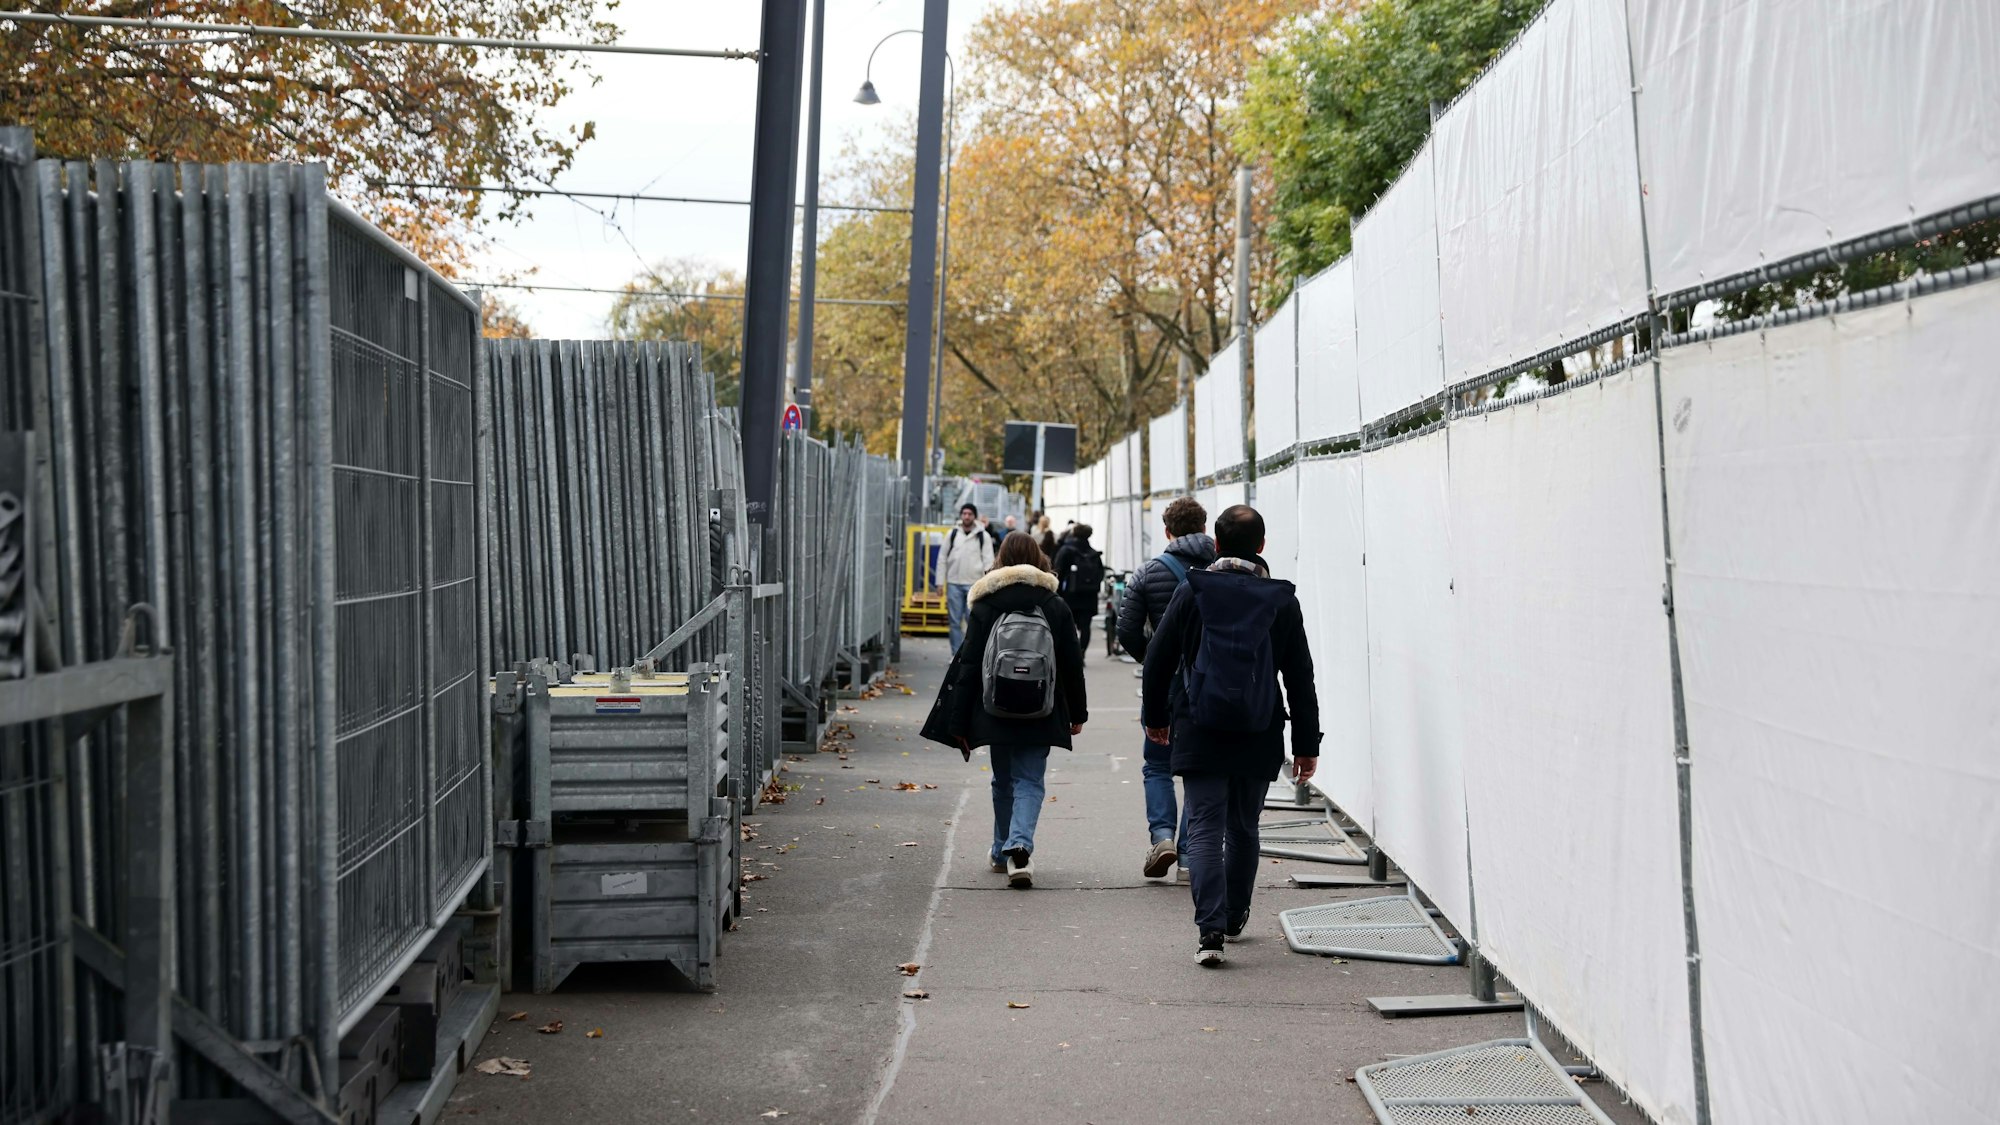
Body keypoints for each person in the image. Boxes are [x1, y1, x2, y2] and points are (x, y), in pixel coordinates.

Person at [1141, 504, 1319, 966]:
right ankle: (1236, 913)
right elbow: (1299, 677)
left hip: (1200, 725)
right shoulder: (1280, 600)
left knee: (1203, 826)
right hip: (1259, 729)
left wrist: (1156, 717)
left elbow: (1158, 659)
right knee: (1243, 827)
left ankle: (1210, 931)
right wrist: (1306, 745)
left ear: (1215, 544)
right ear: (1262, 545)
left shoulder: (1192, 590)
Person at [947, 534, 1088, 888]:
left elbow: (968, 665)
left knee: (1003, 780)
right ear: (1039, 559)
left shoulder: (986, 604)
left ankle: (1001, 851)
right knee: (1030, 779)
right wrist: (1078, 713)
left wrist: (959, 720)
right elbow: (1072, 664)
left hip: (995, 709)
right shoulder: (1054, 605)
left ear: (1001, 559)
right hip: (1043, 708)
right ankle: (1019, 845)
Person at [1115, 496, 1216, 879]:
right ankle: (1190, 855)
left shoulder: (1149, 572)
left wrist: (1152, 658)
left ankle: (1162, 837)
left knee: (1157, 764)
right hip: (1212, 682)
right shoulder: (1223, 567)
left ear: (1167, 531)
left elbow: (1126, 629)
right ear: (1204, 528)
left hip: (1166, 680)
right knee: (1199, 770)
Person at [938, 504, 998, 654]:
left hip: (974, 585)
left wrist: (989, 586)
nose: (966, 516)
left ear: (974, 516)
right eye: (964, 513)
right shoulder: (952, 534)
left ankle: (968, 655)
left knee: (972, 622)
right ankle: (955, 655)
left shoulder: (983, 536)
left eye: (970, 514)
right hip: (954, 583)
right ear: (961, 515)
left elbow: (988, 561)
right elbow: (942, 558)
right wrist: (939, 583)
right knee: (954, 622)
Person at [1051, 524, 1104, 656]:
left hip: (1070, 595)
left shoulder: (1066, 550)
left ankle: (1071, 655)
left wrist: (1056, 592)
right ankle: (1082, 653)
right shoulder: (1094, 553)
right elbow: (1100, 574)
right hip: (1089, 595)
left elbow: (1058, 571)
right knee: (1085, 626)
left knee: (1068, 627)